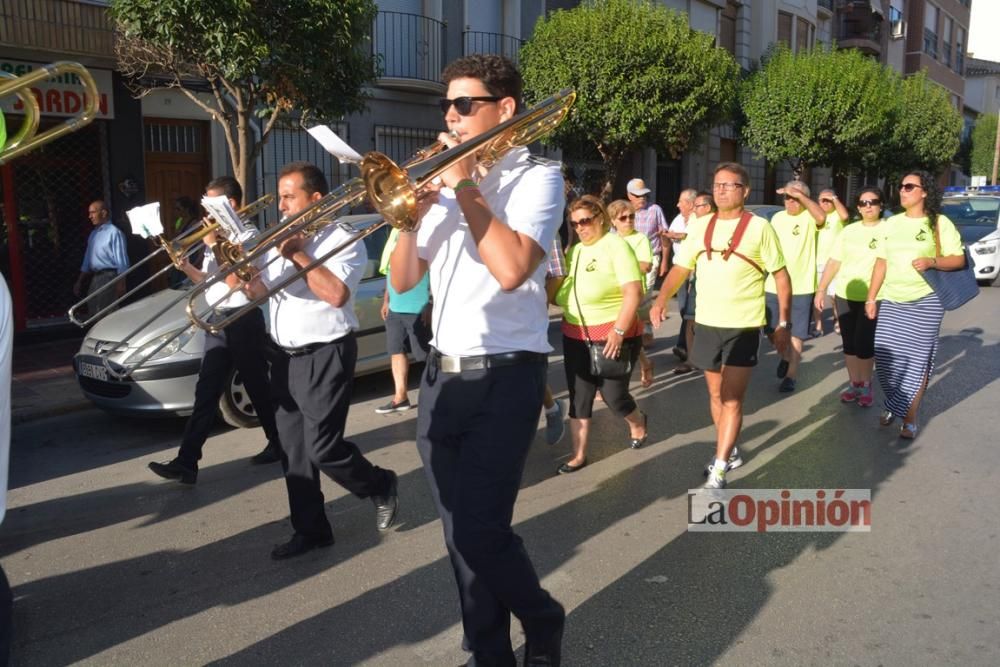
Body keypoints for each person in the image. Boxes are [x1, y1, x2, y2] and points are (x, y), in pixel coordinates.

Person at [389, 54, 565, 666]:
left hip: (506, 374)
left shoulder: (537, 177)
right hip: (442, 376)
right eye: (448, 105)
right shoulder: (439, 188)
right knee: (457, 535)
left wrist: (464, 184)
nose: (452, 115)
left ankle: (543, 618)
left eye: (465, 104)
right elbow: (403, 285)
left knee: (481, 530)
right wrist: (409, 214)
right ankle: (490, 653)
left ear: (504, 109)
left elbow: (514, 269)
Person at [248, 161, 399, 559]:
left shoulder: (342, 239)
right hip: (284, 355)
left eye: (288, 197)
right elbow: (262, 293)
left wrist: (298, 255)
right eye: (279, 196)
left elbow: (335, 294)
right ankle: (311, 530)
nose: (280, 206)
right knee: (294, 453)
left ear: (315, 200)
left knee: (322, 448)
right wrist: (245, 280)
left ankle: (379, 483)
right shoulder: (279, 238)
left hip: (325, 353)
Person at [650, 162, 791, 489]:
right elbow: (681, 269)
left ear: (745, 190)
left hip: (744, 326)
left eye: (730, 185)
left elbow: (781, 276)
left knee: (731, 399)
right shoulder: (700, 226)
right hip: (707, 324)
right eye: (717, 185)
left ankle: (721, 464)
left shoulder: (760, 229)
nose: (722, 189)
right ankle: (728, 448)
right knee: (715, 394)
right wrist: (660, 300)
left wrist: (782, 322)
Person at [148, 177, 282, 485]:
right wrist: (186, 268)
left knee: (258, 387)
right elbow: (210, 283)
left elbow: (240, 284)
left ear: (231, 205)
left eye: (211, 205)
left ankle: (279, 441)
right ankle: (187, 462)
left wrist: (216, 247)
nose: (205, 212)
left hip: (244, 319)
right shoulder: (216, 237)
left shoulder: (249, 235)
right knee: (205, 391)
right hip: (218, 320)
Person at [865, 171, 965, 440]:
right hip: (893, 300)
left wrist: (932, 262)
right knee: (885, 360)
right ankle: (895, 402)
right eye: (901, 186)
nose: (902, 190)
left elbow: (958, 260)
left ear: (924, 192)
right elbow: (881, 262)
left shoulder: (939, 223)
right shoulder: (890, 224)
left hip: (927, 301)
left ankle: (908, 417)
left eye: (909, 186)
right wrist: (871, 297)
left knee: (916, 361)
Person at [552, 195, 647, 474]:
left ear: (601, 218)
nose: (580, 228)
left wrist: (618, 331)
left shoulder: (616, 247)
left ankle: (637, 421)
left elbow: (633, 292)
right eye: (574, 224)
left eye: (585, 221)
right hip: (575, 334)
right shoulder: (576, 251)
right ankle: (578, 454)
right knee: (579, 395)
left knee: (613, 396)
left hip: (612, 333)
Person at [816, 187, 885, 409]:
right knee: (849, 344)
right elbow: (835, 261)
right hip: (845, 294)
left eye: (873, 202)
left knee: (864, 343)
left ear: (880, 205)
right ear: (858, 207)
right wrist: (821, 288)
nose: (868, 206)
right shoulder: (848, 231)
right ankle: (854, 384)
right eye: (863, 203)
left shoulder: (888, 229)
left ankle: (866, 384)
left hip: (872, 297)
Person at [764, 180, 825, 393]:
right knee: (771, 329)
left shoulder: (810, 217)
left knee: (797, 332)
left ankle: (791, 375)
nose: (790, 201)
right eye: (787, 197)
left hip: (801, 285)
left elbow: (821, 217)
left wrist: (800, 196)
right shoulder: (777, 218)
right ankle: (786, 356)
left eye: (795, 197)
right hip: (773, 284)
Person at [375, 226, 432, 413]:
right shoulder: (395, 232)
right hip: (396, 306)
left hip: (418, 305)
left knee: (424, 355)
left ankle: (432, 396)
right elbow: (391, 269)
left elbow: (435, 269)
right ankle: (400, 397)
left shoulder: (427, 228)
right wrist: (386, 299)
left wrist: (430, 302)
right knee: (396, 350)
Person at [607, 198, 655, 387]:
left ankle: (613, 383)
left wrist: (621, 264)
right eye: (623, 218)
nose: (628, 221)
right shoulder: (608, 240)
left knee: (622, 334)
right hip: (611, 294)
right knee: (620, 334)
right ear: (613, 221)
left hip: (632, 294)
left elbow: (646, 265)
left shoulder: (640, 238)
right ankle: (644, 363)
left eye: (631, 217)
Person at [672, 192, 714, 375]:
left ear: (707, 207)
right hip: (696, 277)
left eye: (697, 206)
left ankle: (711, 356)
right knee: (690, 318)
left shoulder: (718, 223)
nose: (693, 209)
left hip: (715, 280)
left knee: (709, 320)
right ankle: (691, 359)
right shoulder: (694, 222)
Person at [73, 200, 129, 318]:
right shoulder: (94, 234)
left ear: (103, 213)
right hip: (96, 277)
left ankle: (111, 334)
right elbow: (87, 260)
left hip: (109, 276)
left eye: (93, 212)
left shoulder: (114, 232)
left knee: (105, 310)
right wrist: (79, 281)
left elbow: (121, 260)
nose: (90, 216)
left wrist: (121, 282)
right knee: (93, 307)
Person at [666, 188, 697, 367]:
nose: (677, 205)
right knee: (684, 309)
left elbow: (691, 237)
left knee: (689, 312)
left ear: (691, 204)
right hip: (679, 269)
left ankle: (684, 346)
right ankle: (684, 345)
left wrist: (678, 236)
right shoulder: (678, 219)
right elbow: (670, 236)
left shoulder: (697, 219)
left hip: (693, 270)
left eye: (681, 201)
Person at [814, 188, 849, 336]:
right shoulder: (816, 216)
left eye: (828, 200)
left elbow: (845, 215)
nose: (825, 203)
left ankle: (838, 320)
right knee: (818, 296)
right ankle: (818, 326)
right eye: (822, 200)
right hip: (817, 262)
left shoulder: (837, 215)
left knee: (835, 296)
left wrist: (834, 198)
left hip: (835, 262)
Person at [626, 177, 669, 290]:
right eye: (638, 195)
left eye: (644, 195)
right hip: (628, 257)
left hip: (651, 257)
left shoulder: (655, 210)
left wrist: (664, 261)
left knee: (646, 290)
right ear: (629, 195)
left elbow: (664, 236)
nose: (642, 198)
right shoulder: (623, 212)